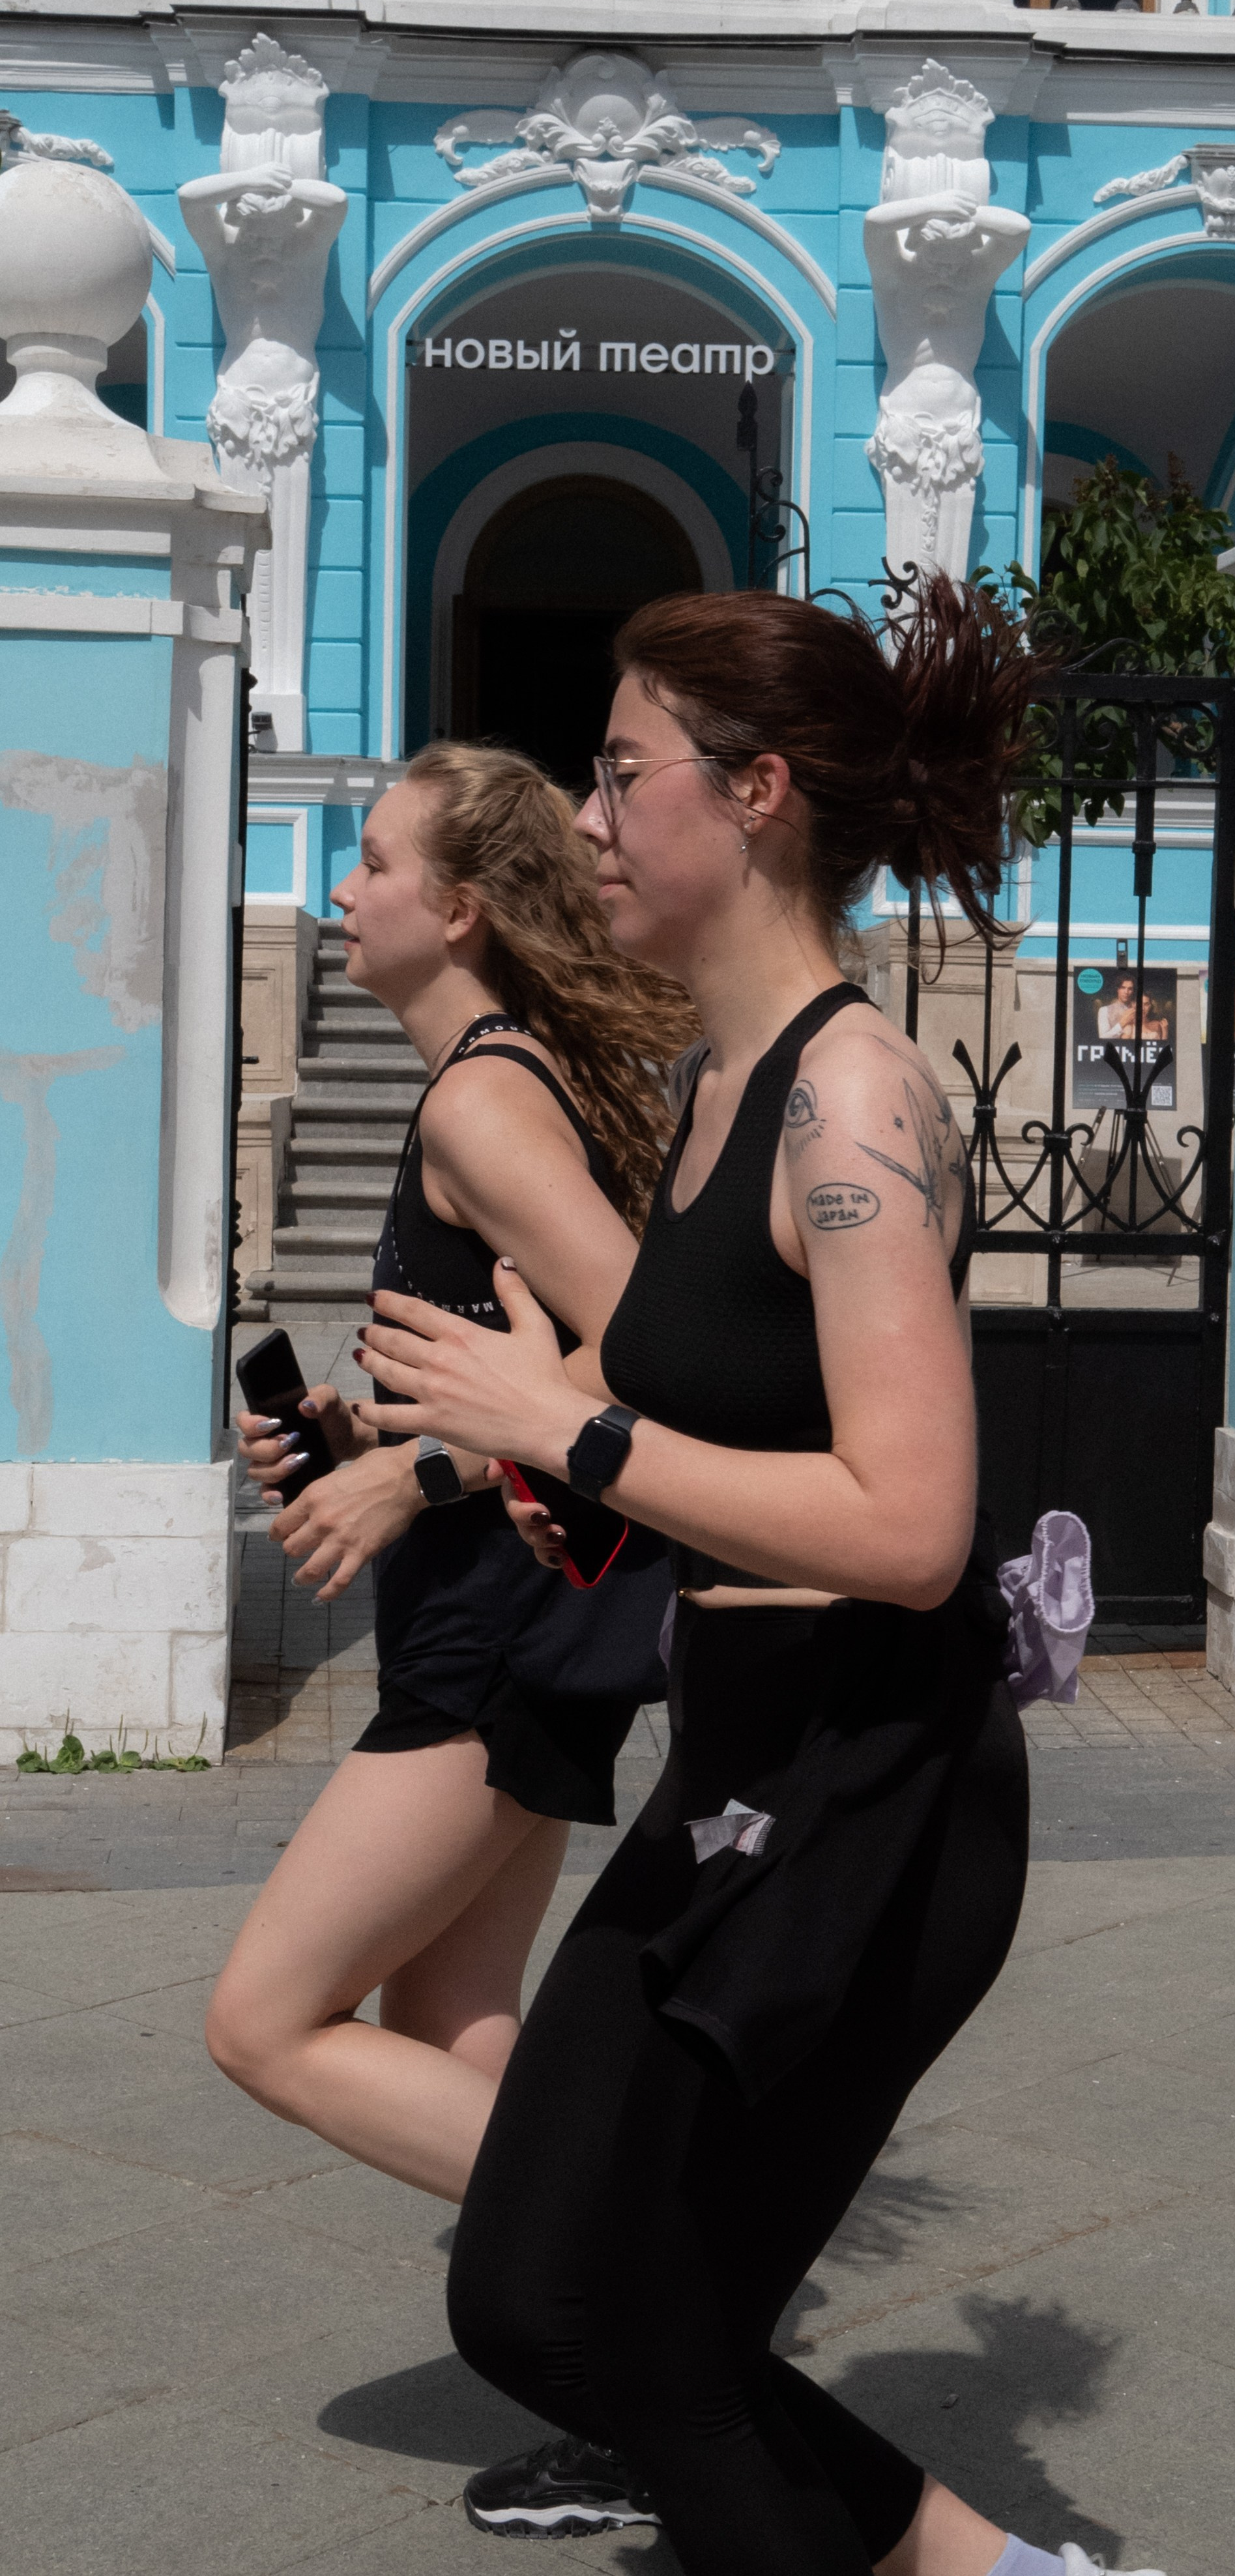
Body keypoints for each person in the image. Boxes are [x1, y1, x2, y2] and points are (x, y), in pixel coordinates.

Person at [355, 580, 1169, 2576]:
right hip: (747, 1759)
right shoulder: (720, 1099)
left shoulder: (849, 1098)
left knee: (622, 2315)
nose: (594, 819)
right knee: (543, 2295)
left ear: (762, 791)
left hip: (871, 1799)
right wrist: (568, 1482)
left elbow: (909, 1530)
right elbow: (756, 1461)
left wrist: (575, 1434)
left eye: (624, 775)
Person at [209, 743, 689, 2244]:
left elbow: (654, 1357)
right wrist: (365, 1428)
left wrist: (422, 1474)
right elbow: (525, 1357)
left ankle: (675, 2266)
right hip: (503, 1623)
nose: (340, 890)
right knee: (451, 2033)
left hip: (497, 1640)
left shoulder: (486, 1105)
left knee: (265, 2020)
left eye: (373, 863)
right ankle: (600, 2374)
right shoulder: (485, 1089)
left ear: (462, 907)